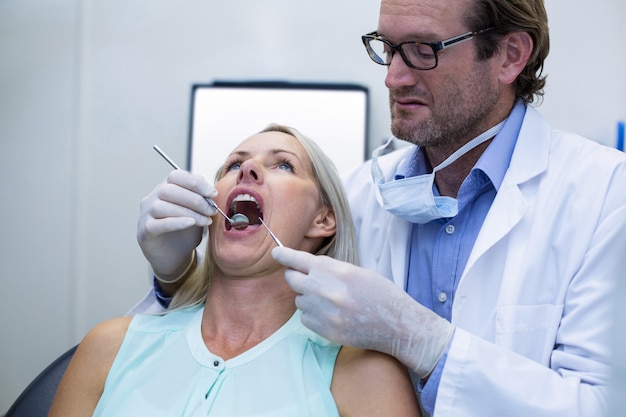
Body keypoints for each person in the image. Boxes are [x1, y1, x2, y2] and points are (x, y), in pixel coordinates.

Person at [132, 0, 626, 415]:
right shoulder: (351, 199)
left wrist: (427, 344)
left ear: (509, 56)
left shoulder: (606, 195)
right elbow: (218, 342)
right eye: (387, 48)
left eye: (421, 50)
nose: (393, 77)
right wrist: (172, 276)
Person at [49, 125, 421, 417]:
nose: (248, 168)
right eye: (232, 165)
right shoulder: (109, 346)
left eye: (283, 165)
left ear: (323, 220)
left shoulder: (363, 370)